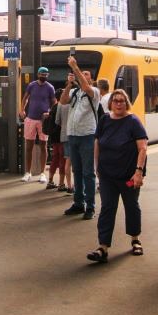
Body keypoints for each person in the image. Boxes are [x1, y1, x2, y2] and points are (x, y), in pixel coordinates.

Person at [86, 88, 148, 263]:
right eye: (115, 101)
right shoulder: (105, 120)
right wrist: (97, 168)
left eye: (122, 101)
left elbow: (142, 148)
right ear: (110, 103)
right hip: (107, 175)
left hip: (128, 175)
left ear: (126, 103)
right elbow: (97, 144)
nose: (119, 104)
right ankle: (103, 247)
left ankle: (135, 239)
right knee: (107, 208)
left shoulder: (133, 121)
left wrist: (139, 172)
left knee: (132, 206)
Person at [62, 56, 99, 220]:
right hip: (73, 135)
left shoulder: (94, 92)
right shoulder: (74, 92)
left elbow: (85, 86)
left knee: (88, 173)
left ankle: (90, 206)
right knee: (76, 171)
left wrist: (75, 67)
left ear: (91, 79)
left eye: (86, 74)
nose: (83, 75)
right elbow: (63, 101)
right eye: (81, 74)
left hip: (87, 136)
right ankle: (78, 203)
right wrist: (69, 84)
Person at [20, 66, 55, 183]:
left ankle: (42, 173)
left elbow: (54, 102)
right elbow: (25, 98)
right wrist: (22, 110)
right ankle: (27, 172)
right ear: (38, 74)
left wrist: (49, 112)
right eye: (42, 74)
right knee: (28, 146)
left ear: (48, 75)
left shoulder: (50, 87)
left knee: (43, 146)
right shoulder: (31, 85)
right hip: (30, 118)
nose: (43, 76)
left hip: (43, 121)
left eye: (45, 75)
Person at [44, 84, 71, 193]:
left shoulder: (54, 107)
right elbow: (59, 122)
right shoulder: (64, 106)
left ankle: (50, 181)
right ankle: (61, 183)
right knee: (63, 160)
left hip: (54, 137)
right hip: (62, 136)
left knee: (55, 159)